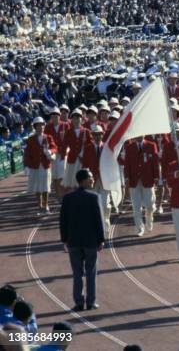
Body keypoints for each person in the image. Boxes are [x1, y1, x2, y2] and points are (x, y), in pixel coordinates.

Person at [59, 169, 105, 311]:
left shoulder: (67, 198)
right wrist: (101, 239)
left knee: (77, 273)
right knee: (91, 272)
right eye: (90, 177)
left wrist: (64, 239)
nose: (92, 180)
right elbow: (99, 220)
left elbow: (63, 221)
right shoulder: (94, 197)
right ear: (83, 180)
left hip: (73, 242)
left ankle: (79, 302)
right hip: (90, 242)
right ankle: (91, 302)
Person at [124, 136, 159, 236]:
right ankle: (139, 228)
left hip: (148, 180)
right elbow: (127, 164)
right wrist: (127, 177)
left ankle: (149, 221)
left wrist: (156, 176)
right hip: (134, 181)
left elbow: (155, 162)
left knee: (150, 206)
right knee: (136, 207)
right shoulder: (129, 147)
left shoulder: (151, 146)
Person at [24, 116, 57, 215]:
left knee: (46, 187)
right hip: (35, 166)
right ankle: (40, 206)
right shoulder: (31, 139)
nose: (40, 127)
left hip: (45, 165)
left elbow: (54, 147)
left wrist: (50, 152)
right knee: (37, 187)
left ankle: (46, 205)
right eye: (38, 125)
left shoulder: (48, 137)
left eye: (42, 125)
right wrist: (26, 166)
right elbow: (27, 153)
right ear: (35, 127)